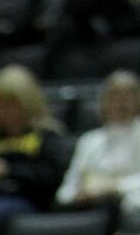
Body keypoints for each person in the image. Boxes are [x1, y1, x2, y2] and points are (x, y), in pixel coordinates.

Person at [0, 65, 70, 218]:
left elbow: (53, 176)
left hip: (28, 203)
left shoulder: (46, 135)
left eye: (11, 103)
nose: (5, 110)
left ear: (28, 102)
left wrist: (10, 171)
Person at [56, 69, 140, 214]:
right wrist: (78, 195)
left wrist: (113, 187)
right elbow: (65, 191)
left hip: (130, 206)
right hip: (89, 207)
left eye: (128, 96)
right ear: (104, 102)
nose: (121, 103)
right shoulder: (88, 141)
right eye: (114, 97)